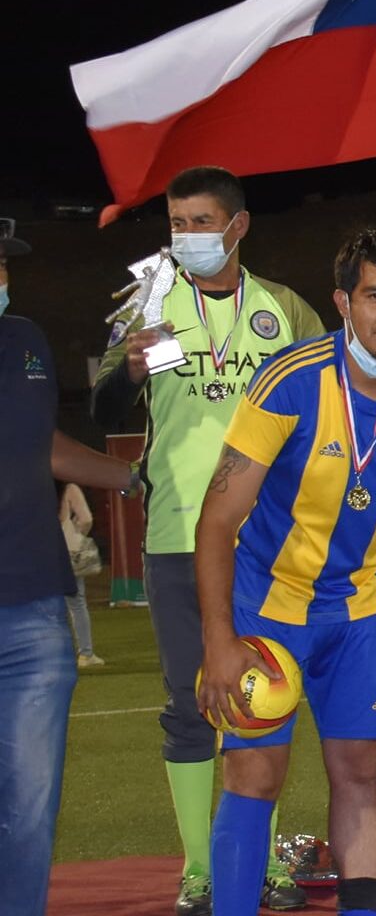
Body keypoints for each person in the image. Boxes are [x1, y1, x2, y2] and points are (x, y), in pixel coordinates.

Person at [193, 229, 376, 916]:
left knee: (361, 776)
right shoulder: (290, 381)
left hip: (355, 613)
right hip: (266, 605)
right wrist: (219, 640)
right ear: (343, 303)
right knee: (255, 775)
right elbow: (217, 520)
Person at [88, 164, 324, 914]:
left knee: (265, 697)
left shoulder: (284, 308)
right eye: (177, 224)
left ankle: (263, 865)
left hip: (267, 538)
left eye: (200, 222)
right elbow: (102, 409)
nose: (187, 235)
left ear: (238, 225)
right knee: (191, 705)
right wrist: (130, 369)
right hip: (177, 533)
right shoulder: (149, 304)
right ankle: (199, 870)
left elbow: (329, 401)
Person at [0, 228, 139, 916]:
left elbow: (38, 443)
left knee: (28, 810)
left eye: (1, 263)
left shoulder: (25, 339)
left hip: (34, 610)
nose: (1, 276)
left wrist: (134, 477)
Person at [60, 484, 103, 666]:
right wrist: (77, 535)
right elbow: (86, 519)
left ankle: (55, 653)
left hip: (40, 551)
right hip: (67, 551)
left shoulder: (34, 485)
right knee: (76, 603)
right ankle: (85, 654)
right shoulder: (69, 488)